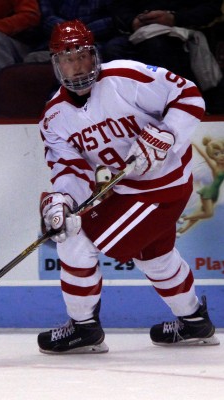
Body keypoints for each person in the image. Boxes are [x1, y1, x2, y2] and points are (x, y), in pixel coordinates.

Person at [37, 19, 220, 354]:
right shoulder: (54, 117)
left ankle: (84, 327)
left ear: (94, 55)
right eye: (67, 58)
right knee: (155, 257)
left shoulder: (126, 76)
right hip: (129, 192)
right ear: (55, 64)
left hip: (164, 185)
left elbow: (189, 96)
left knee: (78, 238)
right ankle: (194, 321)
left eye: (82, 56)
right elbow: (72, 169)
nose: (77, 66)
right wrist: (63, 201)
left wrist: (165, 135)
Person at [103, 0, 224, 113]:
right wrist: (132, 21)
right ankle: (128, 112)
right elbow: (120, 7)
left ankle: (178, 107)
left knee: (156, 45)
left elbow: (210, 9)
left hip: (183, 28)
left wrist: (174, 18)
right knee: (113, 49)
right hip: (141, 31)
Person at [24, 0, 117, 63]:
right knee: (33, 59)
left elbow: (114, 19)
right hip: (56, 47)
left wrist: (82, 33)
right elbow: (46, 18)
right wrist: (72, 31)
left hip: (95, 45)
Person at [177, 137, 224, 235]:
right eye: (216, 154)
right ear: (212, 156)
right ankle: (182, 218)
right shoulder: (214, 166)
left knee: (199, 215)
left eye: (222, 152)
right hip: (208, 192)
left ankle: (182, 230)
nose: (221, 156)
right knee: (208, 213)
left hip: (214, 194)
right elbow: (204, 156)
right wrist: (194, 145)